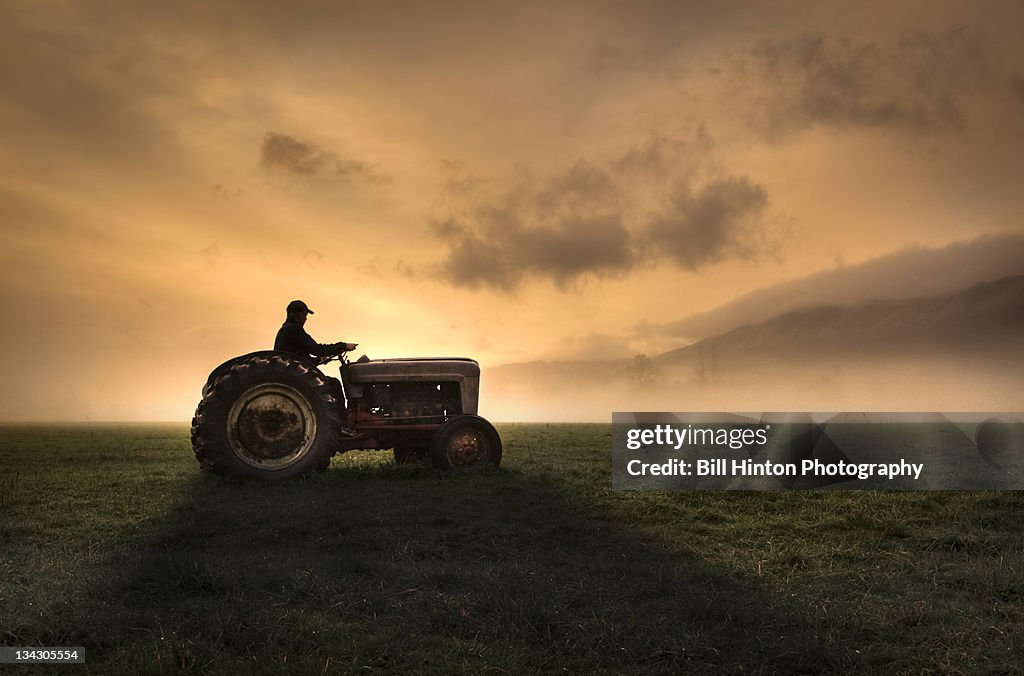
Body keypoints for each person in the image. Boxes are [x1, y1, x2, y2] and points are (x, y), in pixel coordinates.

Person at [274, 299, 357, 362]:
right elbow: (316, 349)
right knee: (333, 383)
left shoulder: (286, 330)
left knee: (332, 382)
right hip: (292, 373)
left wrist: (319, 360)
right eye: (304, 315)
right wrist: (343, 346)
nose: (306, 318)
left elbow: (300, 358)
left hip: (292, 368)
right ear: (296, 316)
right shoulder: (293, 330)